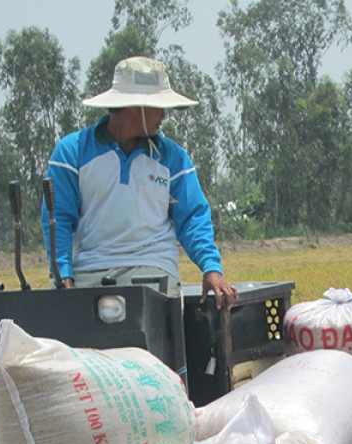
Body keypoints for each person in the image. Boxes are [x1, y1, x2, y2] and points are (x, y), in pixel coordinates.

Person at [42, 56, 238, 309]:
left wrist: (211, 268)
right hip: (86, 269)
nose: (164, 115)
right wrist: (64, 277)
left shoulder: (173, 158)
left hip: (151, 268)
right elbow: (58, 218)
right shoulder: (72, 152)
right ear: (137, 107)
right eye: (159, 107)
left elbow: (192, 218)